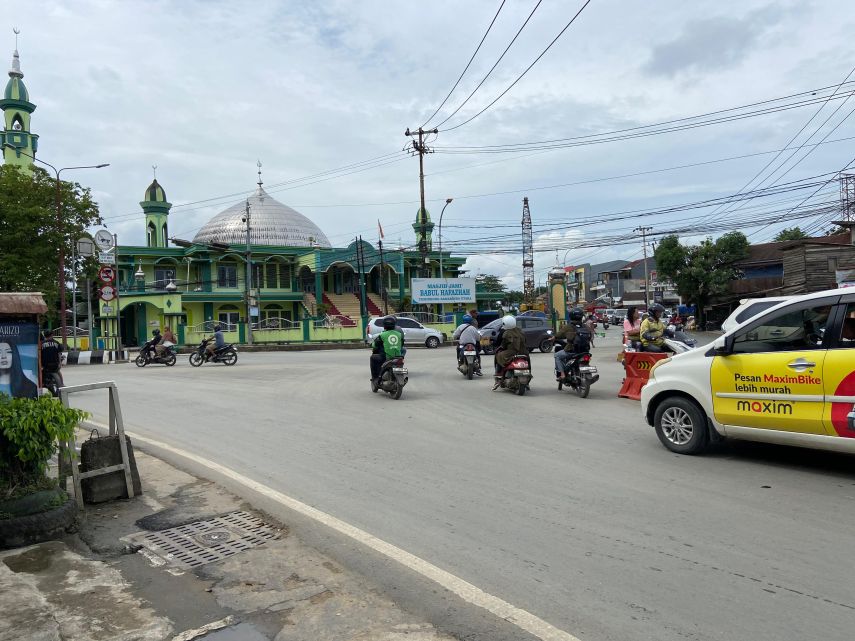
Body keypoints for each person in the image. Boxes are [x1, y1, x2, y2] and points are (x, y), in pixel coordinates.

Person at [492, 315, 527, 390]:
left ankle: (498, 375)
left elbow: (503, 345)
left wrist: (501, 348)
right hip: (523, 351)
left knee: (498, 355)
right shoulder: (521, 331)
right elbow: (525, 341)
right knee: (527, 360)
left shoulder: (506, 333)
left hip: (511, 352)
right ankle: (527, 378)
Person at [554, 307, 590, 380]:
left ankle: (562, 374)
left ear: (571, 316)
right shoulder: (585, 326)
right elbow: (590, 336)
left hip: (572, 351)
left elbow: (559, 335)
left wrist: (552, 338)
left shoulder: (568, 326)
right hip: (585, 351)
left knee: (557, 355)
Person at [370, 316, 405, 386]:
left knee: (373, 358)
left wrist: (373, 345)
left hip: (387, 357)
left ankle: (375, 378)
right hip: (398, 357)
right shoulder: (399, 334)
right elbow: (402, 344)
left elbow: (375, 345)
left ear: (384, 326)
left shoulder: (382, 335)